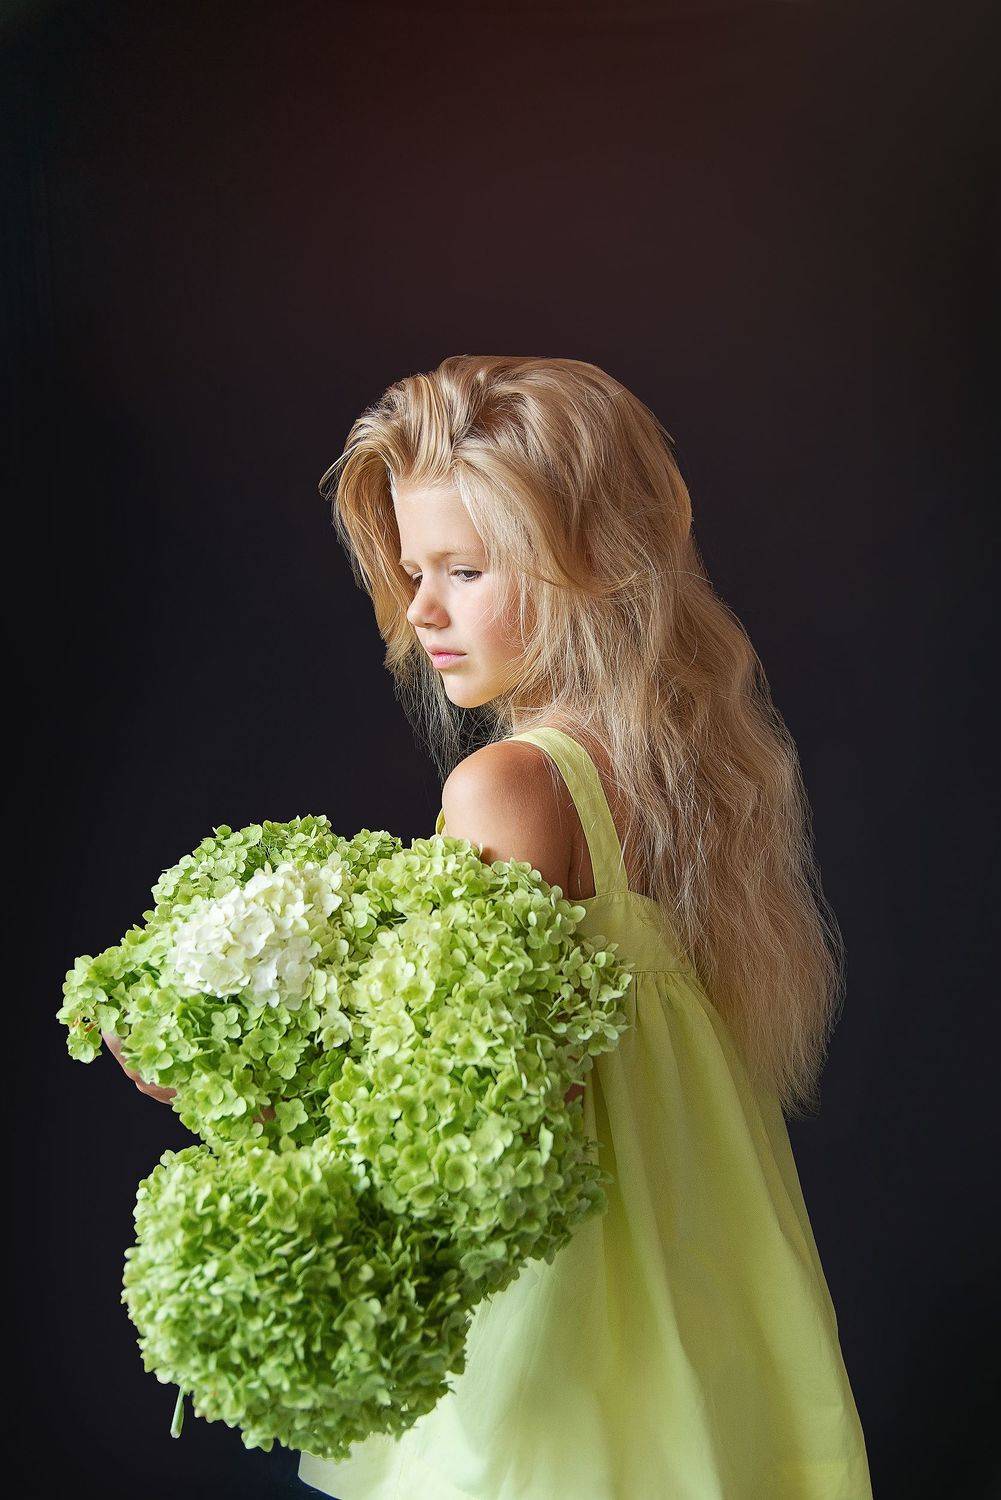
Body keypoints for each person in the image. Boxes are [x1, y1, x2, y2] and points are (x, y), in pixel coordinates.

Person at [115, 355, 875, 1498]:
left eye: (465, 571)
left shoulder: (511, 785)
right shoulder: (687, 787)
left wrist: (236, 1088)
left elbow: (483, 1113)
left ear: (592, 564)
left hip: (564, 1342)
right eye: (414, 571)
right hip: (706, 1317)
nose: (421, 609)